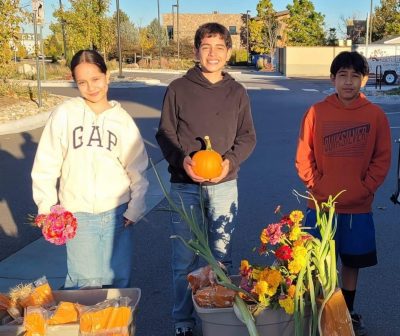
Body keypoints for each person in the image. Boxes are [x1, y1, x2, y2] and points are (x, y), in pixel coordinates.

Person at [156, 22, 256, 336]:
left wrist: (230, 162)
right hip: (185, 186)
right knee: (183, 259)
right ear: (197, 50)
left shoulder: (237, 92)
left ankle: (218, 318)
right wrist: (181, 160)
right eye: (206, 47)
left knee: (220, 257)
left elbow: (248, 137)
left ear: (228, 52)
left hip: (224, 185)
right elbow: (165, 133)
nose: (212, 54)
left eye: (219, 47)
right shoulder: (178, 88)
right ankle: (183, 322)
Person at [31, 49, 149, 289]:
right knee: (83, 285)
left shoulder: (122, 120)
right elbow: (46, 164)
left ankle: (118, 327)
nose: (91, 87)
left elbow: (137, 167)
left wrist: (135, 207)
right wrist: (47, 207)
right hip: (78, 215)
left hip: (118, 214)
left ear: (107, 77)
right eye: (82, 82)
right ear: (75, 83)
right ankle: (83, 327)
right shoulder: (65, 115)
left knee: (117, 284)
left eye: (96, 79)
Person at [295, 51, 391, 336]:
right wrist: (316, 185)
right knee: (317, 264)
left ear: (364, 80)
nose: (348, 82)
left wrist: (366, 188)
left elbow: (382, 158)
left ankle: (345, 313)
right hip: (321, 206)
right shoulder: (317, 112)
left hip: (357, 208)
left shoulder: (375, 115)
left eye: (355, 76)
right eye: (342, 76)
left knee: (351, 263)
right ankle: (320, 313)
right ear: (332, 79)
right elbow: (304, 154)